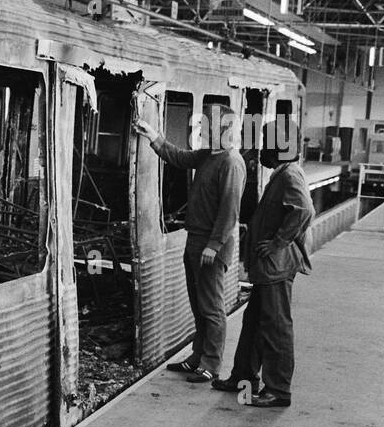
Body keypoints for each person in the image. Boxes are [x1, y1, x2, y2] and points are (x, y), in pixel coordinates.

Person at [133, 113, 245, 383]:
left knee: (211, 307)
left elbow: (230, 210)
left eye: (208, 128)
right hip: (196, 239)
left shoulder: (230, 162)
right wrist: (154, 136)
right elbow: (180, 158)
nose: (202, 131)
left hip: (211, 244)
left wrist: (214, 245)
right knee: (198, 304)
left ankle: (211, 364)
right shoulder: (209, 155)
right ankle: (197, 356)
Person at [211, 135, 314, 408]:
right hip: (267, 268)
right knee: (254, 322)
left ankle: (279, 390)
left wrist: (278, 242)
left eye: (268, 144)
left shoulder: (290, 175)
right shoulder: (283, 173)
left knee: (276, 327)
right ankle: (243, 379)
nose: (262, 150)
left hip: (276, 267)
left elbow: (304, 210)